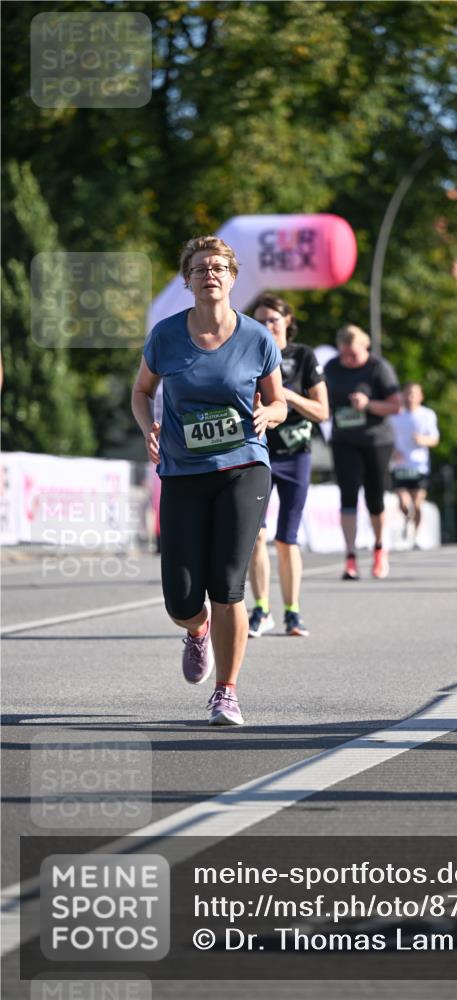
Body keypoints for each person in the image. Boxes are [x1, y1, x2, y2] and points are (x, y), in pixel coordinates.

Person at [131, 236, 286, 726]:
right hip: (182, 471)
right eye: (200, 268)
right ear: (188, 279)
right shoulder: (166, 335)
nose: (210, 274)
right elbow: (141, 391)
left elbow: (278, 400)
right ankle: (196, 632)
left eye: (219, 267)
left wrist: (271, 415)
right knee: (181, 597)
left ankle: (227, 692)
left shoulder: (258, 338)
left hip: (243, 466)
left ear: (233, 278)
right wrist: (147, 427)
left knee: (226, 584)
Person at [247, 294, 329, 638]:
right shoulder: (248, 354)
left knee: (287, 539)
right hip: (260, 453)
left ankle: (292, 613)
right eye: (260, 321)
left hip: (296, 455)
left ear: (287, 321)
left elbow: (323, 412)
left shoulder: (303, 356)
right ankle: (261, 609)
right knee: (256, 535)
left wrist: (288, 397)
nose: (266, 326)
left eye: (272, 320)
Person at [324, 324, 402, 579]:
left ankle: (380, 549)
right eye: (344, 354)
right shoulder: (332, 368)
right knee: (347, 497)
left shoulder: (378, 368)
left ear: (365, 347)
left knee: (375, 498)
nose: (348, 359)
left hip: (376, 441)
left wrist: (368, 405)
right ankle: (350, 556)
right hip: (344, 440)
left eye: (353, 355)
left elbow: (396, 406)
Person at [389, 382, 439, 544]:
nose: (410, 398)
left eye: (413, 394)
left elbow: (434, 439)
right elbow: (387, 438)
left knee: (417, 504)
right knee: (404, 503)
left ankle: (416, 534)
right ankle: (407, 520)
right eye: (407, 394)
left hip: (419, 466)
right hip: (400, 466)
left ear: (420, 397)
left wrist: (422, 440)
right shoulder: (395, 416)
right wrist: (392, 452)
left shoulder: (427, 415)